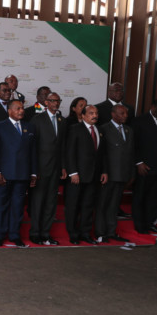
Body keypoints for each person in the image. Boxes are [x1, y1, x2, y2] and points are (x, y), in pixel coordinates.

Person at [0, 100, 36, 248]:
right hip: (4, 175)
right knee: (1, 206)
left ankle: (14, 235)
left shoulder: (29, 127)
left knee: (17, 207)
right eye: (17, 108)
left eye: (22, 108)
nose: (21, 111)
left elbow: (33, 153)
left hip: (23, 175)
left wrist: (34, 173)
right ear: (9, 111)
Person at [64, 105, 106, 245]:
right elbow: (69, 152)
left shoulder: (99, 130)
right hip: (77, 176)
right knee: (73, 206)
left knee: (88, 206)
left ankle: (85, 233)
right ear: (82, 116)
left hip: (94, 176)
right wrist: (73, 172)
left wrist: (104, 171)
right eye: (91, 113)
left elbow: (102, 155)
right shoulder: (75, 129)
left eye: (96, 113)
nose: (95, 115)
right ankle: (73, 234)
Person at [28, 92, 66, 245]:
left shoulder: (62, 120)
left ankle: (46, 233)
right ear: (46, 102)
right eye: (52, 101)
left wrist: (63, 167)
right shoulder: (37, 120)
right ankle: (35, 233)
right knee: (38, 202)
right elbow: (32, 147)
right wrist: (34, 170)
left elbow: (63, 146)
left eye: (58, 101)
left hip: (56, 169)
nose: (55, 103)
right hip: (41, 170)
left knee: (51, 202)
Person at [95, 105, 134, 243]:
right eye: (121, 113)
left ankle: (111, 232)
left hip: (122, 174)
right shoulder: (104, 129)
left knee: (114, 205)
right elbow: (102, 154)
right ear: (113, 114)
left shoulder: (129, 130)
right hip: (108, 175)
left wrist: (131, 173)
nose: (125, 116)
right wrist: (103, 172)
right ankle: (100, 233)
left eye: (126, 113)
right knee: (103, 204)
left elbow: (131, 154)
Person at [132, 99, 157, 234]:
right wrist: (139, 162)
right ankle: (139, 224)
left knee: (153, 198)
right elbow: (133, 144)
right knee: (140, 196)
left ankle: (149, 222)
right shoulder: (140, 121)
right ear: (153, 106)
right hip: (144, 167)